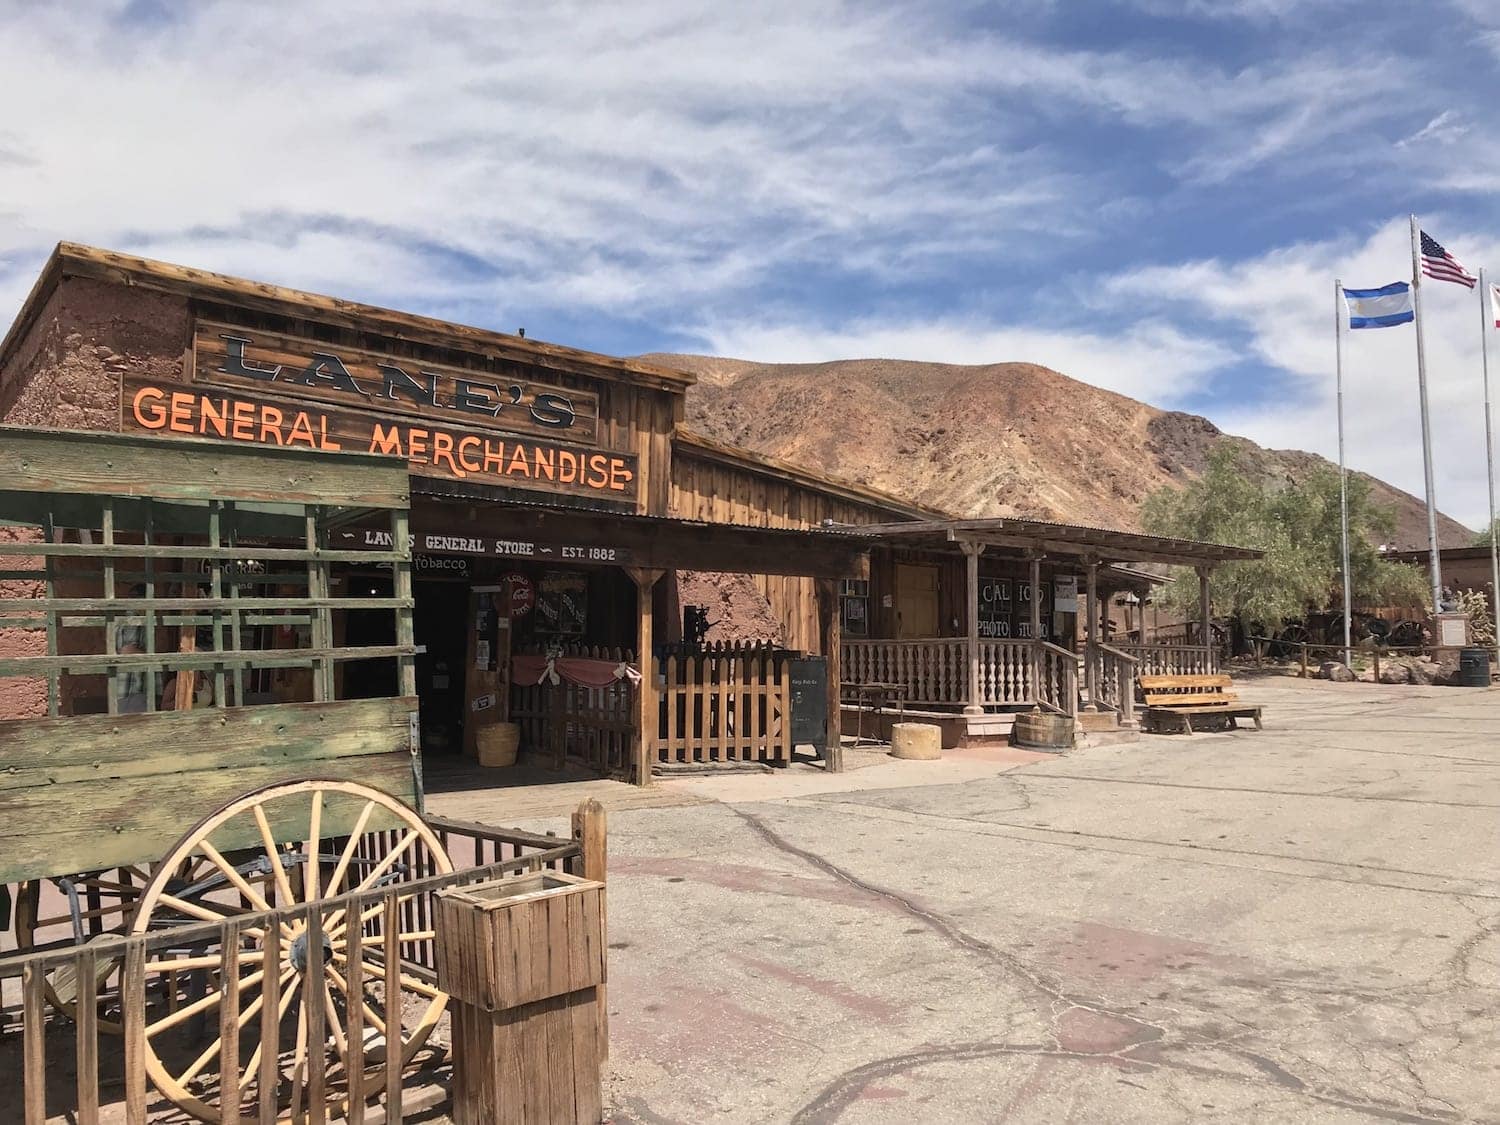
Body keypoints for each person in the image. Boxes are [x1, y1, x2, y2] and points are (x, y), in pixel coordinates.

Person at [116, 584, 148, 713]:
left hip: (127, 692)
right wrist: (154, 657)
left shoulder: (128, 620)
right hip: (133, 691)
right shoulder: (134, 620)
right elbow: (127, 651)